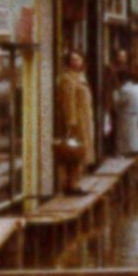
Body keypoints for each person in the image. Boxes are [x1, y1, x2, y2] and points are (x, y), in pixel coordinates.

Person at [55, 50, 96, 193]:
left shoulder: (80, 77)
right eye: (73, 59)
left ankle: (76, 181)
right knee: (75, 153)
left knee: (81, 152)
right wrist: (71, 123)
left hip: (85, 119)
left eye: (78, 59)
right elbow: (68, 103)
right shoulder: (67, 79)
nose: (76, 62)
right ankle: (73, 184)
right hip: (77, 122)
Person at [113, 68, 138, 157]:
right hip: (132, 114)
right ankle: (133, 150)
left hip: (126, 115)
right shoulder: (131, 88)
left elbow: (118, 102)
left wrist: (114, 94)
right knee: (132, 135)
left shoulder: (124, 90)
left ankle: (127, 151)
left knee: (126, 136)